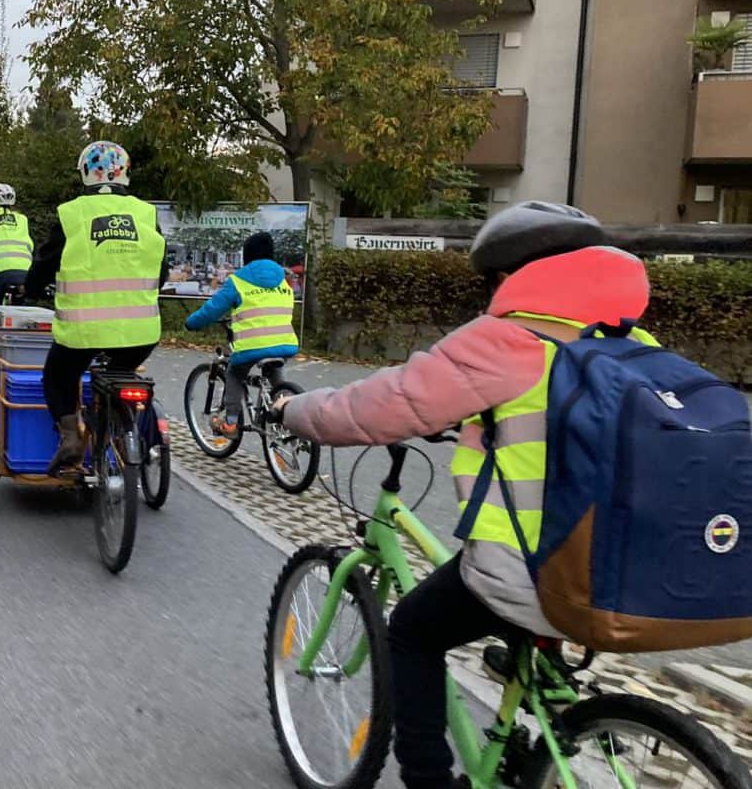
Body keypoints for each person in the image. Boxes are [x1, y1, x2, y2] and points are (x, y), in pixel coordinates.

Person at [273, 202, 655, 789]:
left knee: (412, 631)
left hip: (540, 572)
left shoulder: (510, 339)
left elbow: (381, 405)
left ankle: (429, 778)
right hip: (634, 570)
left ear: (509, 276)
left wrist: (293, 411)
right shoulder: (638, 343)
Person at [24, 140, 168, 474]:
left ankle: (72, 438)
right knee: (121, 372)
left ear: (85, 173)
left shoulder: (71, 213)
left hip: (82, 331)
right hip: (141, 332)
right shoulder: (146, 213)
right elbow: (161, 268)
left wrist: (30, 290)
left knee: (58, 376)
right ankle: (127, 430)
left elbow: (45, 263)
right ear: (126, 172)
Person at [183, 231, 298, 435]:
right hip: (285, 343)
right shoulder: (284, 280)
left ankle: (231, 423)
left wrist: (191, 323)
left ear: (247, 256)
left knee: (235, 373)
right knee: (274, 370)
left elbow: (212, 309)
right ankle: (284, 410)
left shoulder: (238, 281)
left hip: (252, 345)